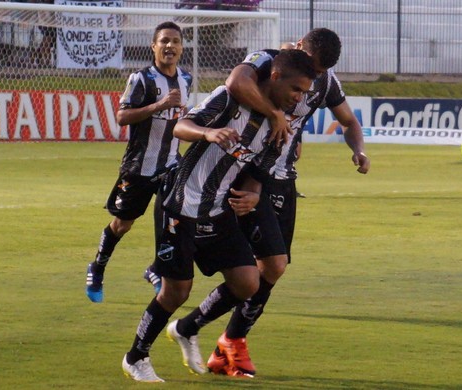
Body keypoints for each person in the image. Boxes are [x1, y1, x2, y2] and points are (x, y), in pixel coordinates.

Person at [161, 28, 370, 378]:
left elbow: (348, 121)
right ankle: (218, 333)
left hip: (282, 178)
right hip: (248, 172)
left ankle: (207, 332)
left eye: (320, 73)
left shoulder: (326, 81)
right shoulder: (267, 60)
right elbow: (236, 82)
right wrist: (273, 114)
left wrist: (359, 149)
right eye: (314, 70)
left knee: (274, 267)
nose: (315, 78)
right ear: (300, 47)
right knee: (267, 265)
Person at [120, 49, 317, 383]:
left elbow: (260, 169)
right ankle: (136, 357)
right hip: (180, 203)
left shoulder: (281, 123)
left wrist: (253, 194)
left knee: (247, 282)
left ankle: (186, 329)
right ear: (275, 77)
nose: (299, 99)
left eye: (304, 94)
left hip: (216, 208)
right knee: (175, 292)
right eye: (296, 89)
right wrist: (208, 133)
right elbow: (181, 127)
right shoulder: (229, 100)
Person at [84, 21, 191, 303]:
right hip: (140, 165)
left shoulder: (186, 79)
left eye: (175, 41)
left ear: (182, 47)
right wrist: (159, 105)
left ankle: (156, 269)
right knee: (123, 224)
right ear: (153, 46)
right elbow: (122, 117)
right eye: (164, 41)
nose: (170, 46)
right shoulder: (141, 79)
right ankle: (98, 266)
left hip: (171, 164)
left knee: (177, 219)